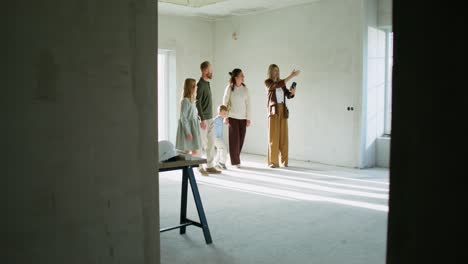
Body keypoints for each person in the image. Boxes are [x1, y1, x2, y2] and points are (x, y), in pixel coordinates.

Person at [264, 64, 300, 168]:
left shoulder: (281, 84)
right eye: (275, 71)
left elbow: (288, 95)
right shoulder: (268, 82)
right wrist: (291, 76)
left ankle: (284, 161)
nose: (277, 72)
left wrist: (292, 92)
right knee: (273, 137)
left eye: (278, 70)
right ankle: (273, 162)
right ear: (271, 71)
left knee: (284, 137)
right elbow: (276, 85)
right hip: (273, 111)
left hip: (283, 111)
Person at [196, 61, 221, 175]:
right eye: (210, 69)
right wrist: (201, 118)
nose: (212, 71)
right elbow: (197, 102)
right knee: (201, 144)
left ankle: (210, 166)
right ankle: (199, 166)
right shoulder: (200, 84)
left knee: (211, 143)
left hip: (210, 118)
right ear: (205, 70)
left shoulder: (207, 83)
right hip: (204, 119)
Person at [223, 69, 251, 168]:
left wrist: (248, 118)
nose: (243, 77)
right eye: (241, 75)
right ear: (236, 77)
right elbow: (225, 103)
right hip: (232, 117)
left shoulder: (245, 88)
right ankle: (235, 161)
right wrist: (225, 117)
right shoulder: (229, 88)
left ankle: (234, 156)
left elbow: (248, 104)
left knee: (241, 140)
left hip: (243, 118)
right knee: (234, 140)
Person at [176, 78, 202, 155]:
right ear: (191, 87)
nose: (197, 87)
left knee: (194, 150)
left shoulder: (192, 101)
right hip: (188, 129)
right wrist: (187, 132)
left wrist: (199, 120)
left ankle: (192, 166)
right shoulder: (185, 101)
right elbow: (183, 118)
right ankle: (187, 166)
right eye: (195, 86)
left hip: (193, 128)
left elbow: (193, 114)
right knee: (187, 150)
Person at [213, 105, 229, 170]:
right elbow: (211, 123)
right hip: (216, 138)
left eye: (226, 113)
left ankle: (216, 163)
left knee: (219, 149)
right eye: (224, 113)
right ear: (219, 113)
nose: (225, 115)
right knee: (224, 148)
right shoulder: (216, 119)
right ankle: (221, 163)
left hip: (218, 138)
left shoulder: (221, 119)